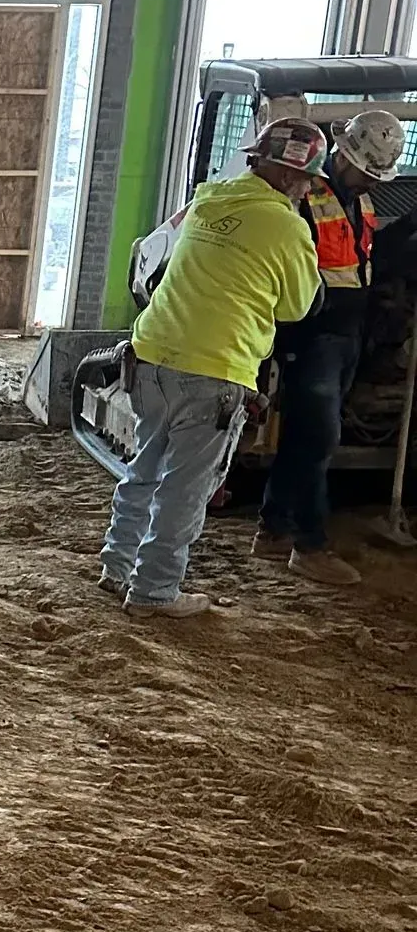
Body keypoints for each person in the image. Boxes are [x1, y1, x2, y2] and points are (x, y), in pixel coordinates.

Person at [100, 117, 326, 616]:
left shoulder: (209, 200)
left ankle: (116, 566)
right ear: (292, 178)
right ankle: (155, 591)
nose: (310, 188)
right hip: (214, 368)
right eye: (310, 179)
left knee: (145, 468)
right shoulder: (288, 227)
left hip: (153, 353)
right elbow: (296, 307)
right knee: (186, 486)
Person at [255, 104, 407, 583]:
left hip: (346, 334)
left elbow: (365, 258)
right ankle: (310, 543)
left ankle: (274, 527)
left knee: (307, 437)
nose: (374, 182)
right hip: (312, 334)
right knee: (318, 438)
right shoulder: (305, 194)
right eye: (368, 172)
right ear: (344, 155)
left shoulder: (360, 201)